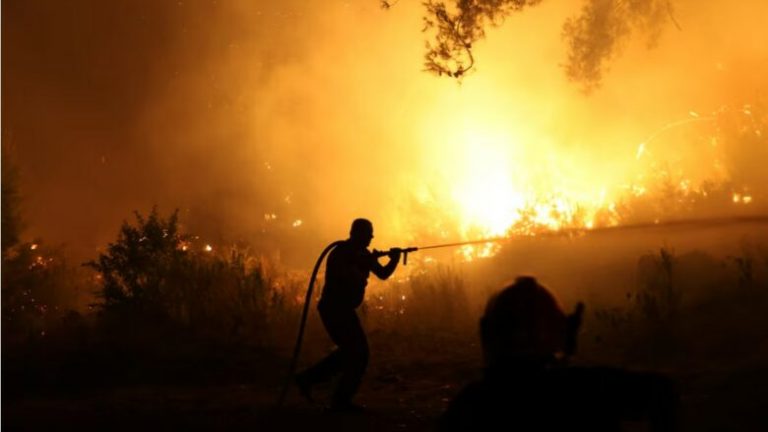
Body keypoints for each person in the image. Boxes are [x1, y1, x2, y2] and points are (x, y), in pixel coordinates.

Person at [438, 276, 679, 431]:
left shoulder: (472, 405)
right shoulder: (590, 388)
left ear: (488, 334)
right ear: (561, 332)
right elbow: (662, 390)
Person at [295, 218, 401, 413]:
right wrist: (364, 264)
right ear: (357, 234)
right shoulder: (341, 253)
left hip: (344, 310)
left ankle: (309, 379)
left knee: (351, 352)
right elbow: (346, 277)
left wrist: (394, 259)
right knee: (359, 353)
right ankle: (339, 401)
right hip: (334, 309)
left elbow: (383, 273)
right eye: (368, 234)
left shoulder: (363, 255)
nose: (371, 237)